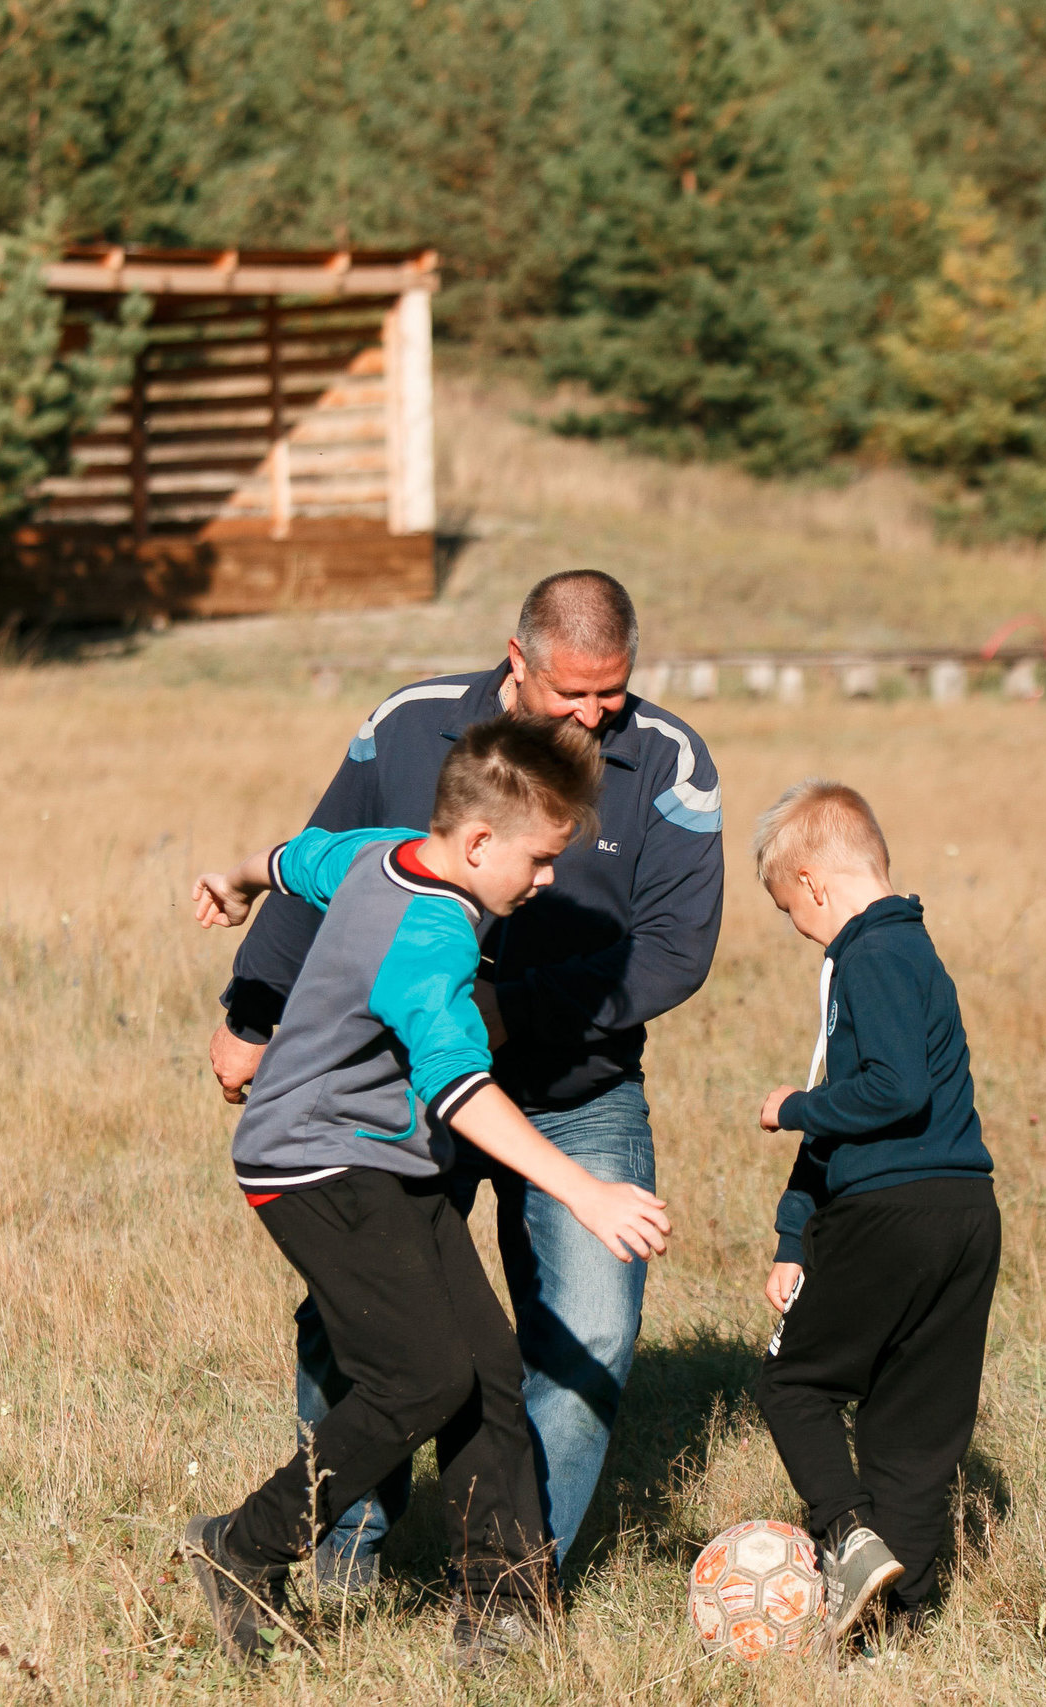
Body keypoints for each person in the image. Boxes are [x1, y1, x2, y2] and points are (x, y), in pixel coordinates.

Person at [206, 570, 722, 1584]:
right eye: (571, 692)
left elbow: (674, 950)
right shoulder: (410, 728)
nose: (594, 715)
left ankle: (510, 1583)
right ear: (517, 660)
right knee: (368, 1333)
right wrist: (251, 1009)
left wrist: (505, 1013)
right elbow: (317, 861)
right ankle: (340, 1557)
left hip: (575, 1090)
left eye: (611, 692)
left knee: (580, 1334)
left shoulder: (670, 762)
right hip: (413, 1095)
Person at [180, 715, 673, 1669]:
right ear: (479, 841)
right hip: (312, 1165)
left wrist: (233, 881)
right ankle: (243, 1545)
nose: (547, 881)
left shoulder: (388, 850)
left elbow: (296, 858)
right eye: (540, 860)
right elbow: (458, 1085)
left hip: (380, 1157)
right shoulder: (435, 934)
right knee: (420, 1380)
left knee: (486, 1368)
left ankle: (505, 1604)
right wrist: (585, 1191)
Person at [747, 780, 999, 1648]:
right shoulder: (911, 948)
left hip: (889, 1212)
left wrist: (793, 1105)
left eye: (790, 911)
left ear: (813, 884)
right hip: (964, 1213)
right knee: (913, 1429)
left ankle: (848, 1536)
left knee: (794, 1383)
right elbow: (865, 1103)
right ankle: (898, 1627)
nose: (800, 930)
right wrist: (792, 1235)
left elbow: (891, 1091)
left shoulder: (870, 955)